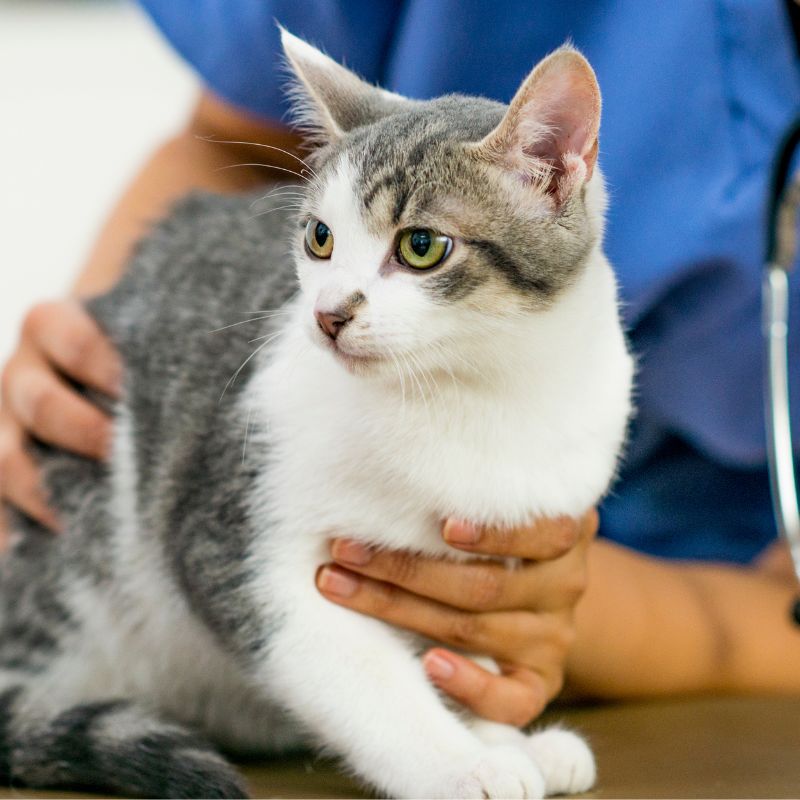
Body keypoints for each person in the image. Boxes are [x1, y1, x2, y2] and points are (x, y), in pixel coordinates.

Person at [2, 0, 800, 727]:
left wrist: (555, 603)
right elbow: (235, 154)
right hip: (267, 614)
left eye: (420, 247)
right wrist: (85, 374)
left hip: (702, 646)